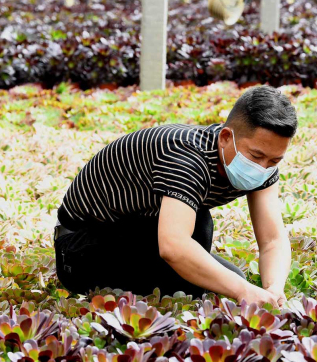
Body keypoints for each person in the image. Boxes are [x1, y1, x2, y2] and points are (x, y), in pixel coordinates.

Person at [53, 86, 297, 307]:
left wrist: (274, 289)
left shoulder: (263, 165)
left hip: (138, 232)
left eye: (274, 160)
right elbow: (173, 246)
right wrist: (242, 290)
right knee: (203, 252)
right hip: (79, 249)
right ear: (225, 137)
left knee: (231, 280)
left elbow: (273, 240)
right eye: (255, 156)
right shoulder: (185, 157)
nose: (263, 168)